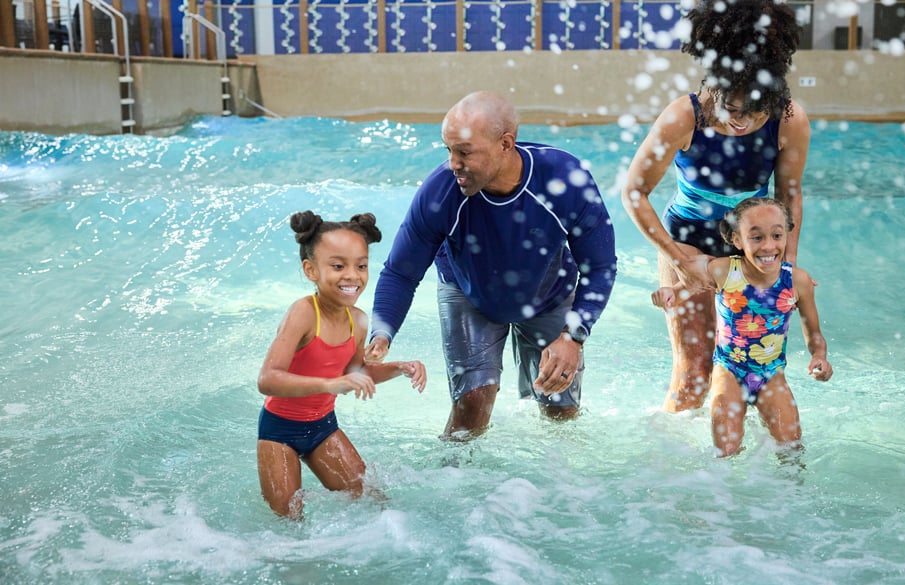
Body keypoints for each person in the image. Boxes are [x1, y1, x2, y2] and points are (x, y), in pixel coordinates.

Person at [364, 91, 617, 440]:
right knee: (471, 409)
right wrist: (382, 330)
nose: (453, 163)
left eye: (464, 152)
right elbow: (400, 272)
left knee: (560, 410)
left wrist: (573, 336)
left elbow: (600, 266)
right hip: (469, 291)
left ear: (505, 144)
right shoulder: (441, 193)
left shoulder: (564, 180)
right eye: (448, 150)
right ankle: (452, 484)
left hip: (549, 292)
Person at [622, 0, 810, 414]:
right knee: (695, 372)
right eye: (732, 110)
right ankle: (674, 466)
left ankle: (747, 469)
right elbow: (634, 193)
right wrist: (677, 261)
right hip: (687, 241)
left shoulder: (790, 118)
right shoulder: (683, 117)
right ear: (714, 86)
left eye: (756, 113)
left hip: (752, 246)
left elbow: (790, 196)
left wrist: (786, 267)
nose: (741, 123)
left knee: (755, 365)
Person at [256, 210, 426, 518]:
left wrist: (400, 368)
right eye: (338, 266)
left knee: (375, 504)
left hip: (323, 428)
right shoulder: (304, 313)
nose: (352, 275)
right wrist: (329, 384)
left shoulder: (358, 320)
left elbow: (354, 373)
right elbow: (267, 379)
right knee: (288, 520)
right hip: (279, 431)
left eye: (361, 265)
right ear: (311, 270)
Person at [651, 198, 831, 456]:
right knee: (726, 450)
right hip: (729, 371)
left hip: (771, 375)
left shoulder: (796, 281)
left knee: (791, 449)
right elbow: (682, 291)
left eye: (777, 235)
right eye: (756, 238)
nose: (768, 245)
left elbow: (814, 334)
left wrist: (819, 356)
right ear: (737, 240)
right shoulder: (724, 271)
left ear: (787, 235)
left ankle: (790, 496)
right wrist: (667, 295)